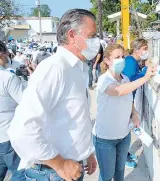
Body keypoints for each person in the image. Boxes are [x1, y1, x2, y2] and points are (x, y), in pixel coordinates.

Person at [8, 9, 100, 181]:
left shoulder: (77, 68)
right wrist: (59, 164)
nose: (96, 41)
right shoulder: (54, 68)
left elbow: (75, 118)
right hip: (52, 173)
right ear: (72, 35)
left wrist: (87, 152)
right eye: (92, 35)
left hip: (71, 167)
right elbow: (22, 128)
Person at [93, 44, 156, 181]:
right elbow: (119, 91)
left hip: (124, 136)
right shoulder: (104, 80)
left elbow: (128, 98)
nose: (121, 60)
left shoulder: (125, 79)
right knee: (107, 176)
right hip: (105, 139)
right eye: (117, 57)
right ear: (107, 61)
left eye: (122, 57)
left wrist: (134, 114)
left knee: (120, 172)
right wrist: (144, 78)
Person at [0, 41, 26, 181]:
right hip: (8, 136)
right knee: (20, 174)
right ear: (1, 54)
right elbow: (25, 102)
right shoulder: (7, 77)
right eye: (6, 54)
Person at [122, 38, 150, 168]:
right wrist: (144, 74)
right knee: (123, 133)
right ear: (137, 50)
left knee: (125, 131)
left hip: (128, 100)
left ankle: (125, 154)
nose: (147, 51)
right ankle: (123, 158)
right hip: (125, 101)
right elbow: (129, 82)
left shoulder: (133, 61)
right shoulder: (130, 62)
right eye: (145, 49)